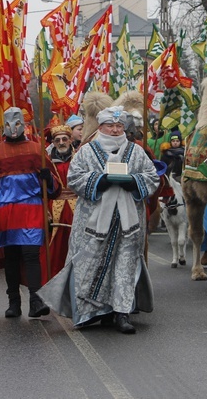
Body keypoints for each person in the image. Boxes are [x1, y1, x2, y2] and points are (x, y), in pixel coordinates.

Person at [39, 106, 159, 334]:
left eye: (119, 126)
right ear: (101, 127)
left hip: (129, 223)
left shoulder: (136, 152)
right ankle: (90, 311)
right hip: (93, 222)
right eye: (110, 126)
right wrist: (99, 181)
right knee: (89, 263)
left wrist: (133, 182)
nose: (115, 130)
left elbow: (152, 177)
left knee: (124, 265)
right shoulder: (85, 152)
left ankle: (121, 312)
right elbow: (74, 177)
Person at [0, 107, 61, 319]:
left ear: (23, 125)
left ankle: (36, 301)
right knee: (11, 256)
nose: (13, 128)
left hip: (32, 210)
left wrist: (47, 178)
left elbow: (53, 190)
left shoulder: (37, 150)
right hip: (5, 213)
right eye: (9, 124)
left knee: (31, 254)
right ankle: (14, 302)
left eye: (17, 123)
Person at [41, 125, 77, 281]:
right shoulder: (47, 162)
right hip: (55, 207)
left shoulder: (80, 159)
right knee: (54, 247)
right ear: (53, 143)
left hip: (77, 206)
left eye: (64, 139)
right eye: (57, 140)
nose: (61, 142)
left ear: (70, 140)